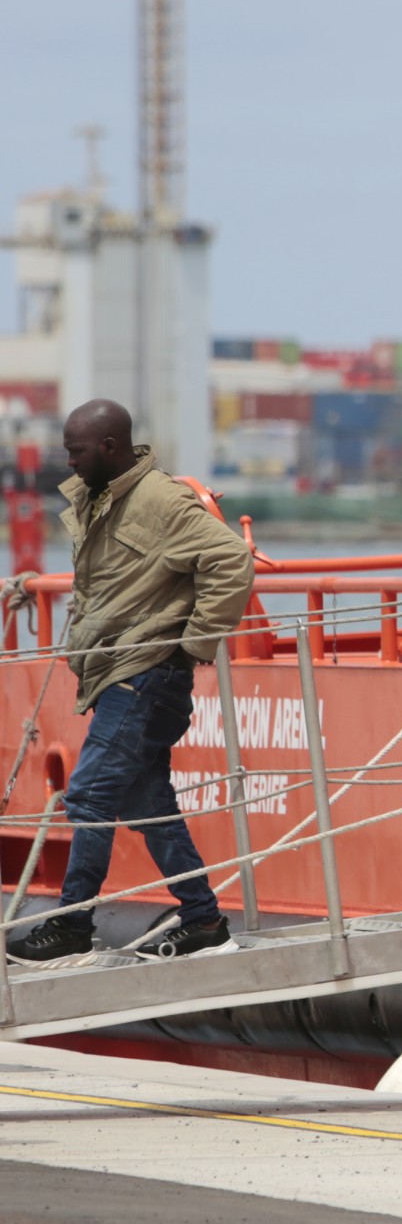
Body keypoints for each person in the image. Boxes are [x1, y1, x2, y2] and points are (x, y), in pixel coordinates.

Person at [6, 400, 254, 962]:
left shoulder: (162, 501)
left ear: (111, 448)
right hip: (118, 672)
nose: (67, 461)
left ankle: (71, 927)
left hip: (145, 675)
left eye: (76, 450)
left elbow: (231, 561)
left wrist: (194, 643)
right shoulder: (97, 499)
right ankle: (204, 920)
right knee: (147, 800)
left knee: (91, 795)